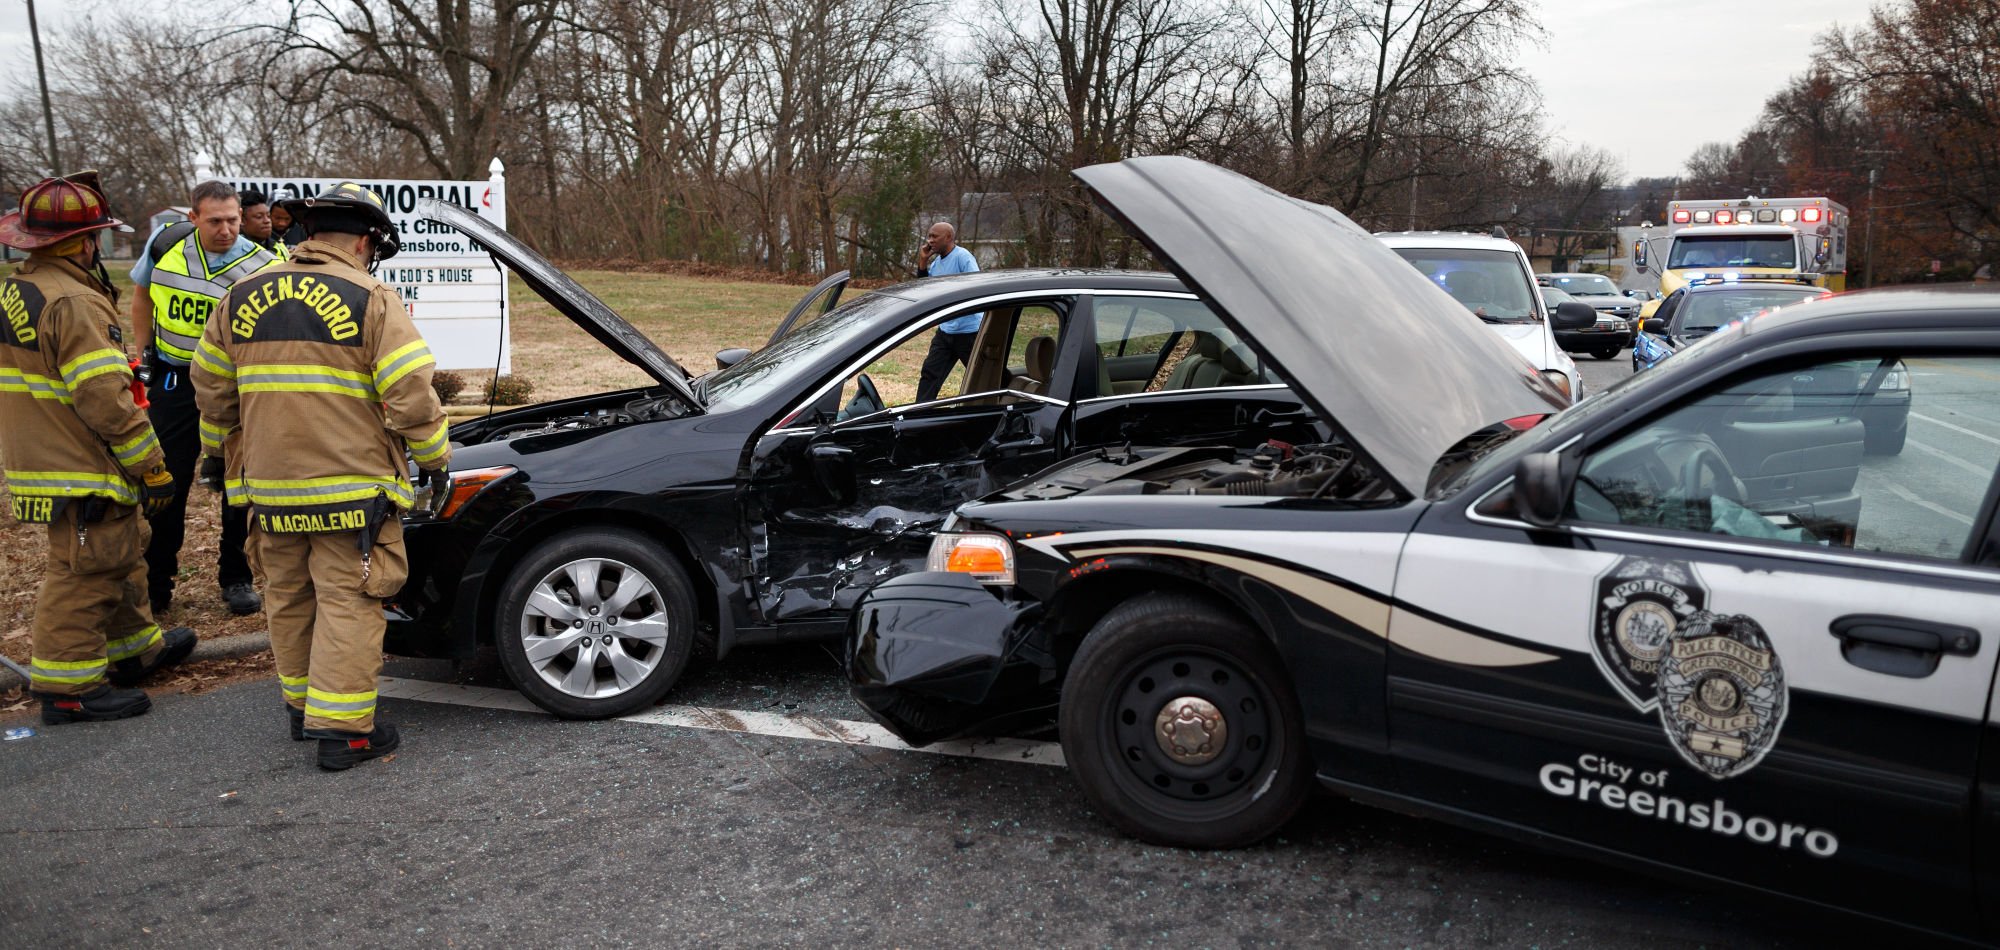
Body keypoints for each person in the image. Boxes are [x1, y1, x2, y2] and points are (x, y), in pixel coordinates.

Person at [193, 181, 451, 770]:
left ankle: (301, 709)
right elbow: (412, 397)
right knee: (348, 599)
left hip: (268, 491)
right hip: (351, 490)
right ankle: (343, 732)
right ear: (365, 241)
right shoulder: (372, 298)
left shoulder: (240, 296)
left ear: (311, 235)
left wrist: (217, 456)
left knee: (287, 596)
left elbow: (212, 391)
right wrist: (435, 460)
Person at [0, 172, 198, 724]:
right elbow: (105, 398)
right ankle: (69, 688)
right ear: (83, 242)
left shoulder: (21, 286)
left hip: (41, 450)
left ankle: (135, 649)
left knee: (120, 548)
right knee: (84, 570)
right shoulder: (74, 303)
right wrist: (151, 465)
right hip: (76, 458)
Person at [131, 180, 281, 617]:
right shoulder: (165, 246)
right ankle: (157, 583)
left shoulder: (261, 265)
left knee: (235, 485)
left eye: (233, 219)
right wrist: (144, 353)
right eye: (215, 220)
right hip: (175, 381)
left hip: (231, 388)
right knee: (168, 484)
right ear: (192, 218)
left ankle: (235, 577)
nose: (226, 229)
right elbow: (142, 295)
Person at [912, 221, 981, 403]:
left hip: (969, 332)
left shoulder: (963, 257)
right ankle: (919, 417)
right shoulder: (936, 264)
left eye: (935, 236)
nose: (930, 240)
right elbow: (925, 291)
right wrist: (923, 261)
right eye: (929, 236)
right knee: (930, 374)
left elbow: (977, 285)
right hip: (946, 332)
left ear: (949, 237)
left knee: (983, 376)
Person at [238, 189, 288, 258]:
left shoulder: (280, 248)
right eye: (259, 217)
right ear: (242, 220)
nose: (267, 221)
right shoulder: (232, 251)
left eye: (268, 216)